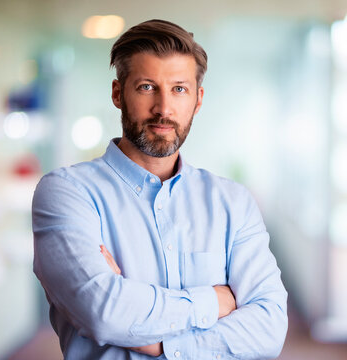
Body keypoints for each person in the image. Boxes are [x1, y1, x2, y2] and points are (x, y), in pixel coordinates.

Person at [32, 19, 288, 359]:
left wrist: (160, 344)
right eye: (147, 87)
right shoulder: (67, 193)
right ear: (117, 93)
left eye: (179, 89)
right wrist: (215, 299)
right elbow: (104, 313)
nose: (164, 109)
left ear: (197, 100)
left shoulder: (233, 203)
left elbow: (268, 330)